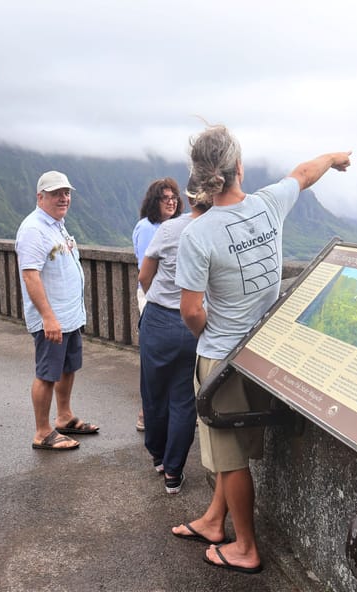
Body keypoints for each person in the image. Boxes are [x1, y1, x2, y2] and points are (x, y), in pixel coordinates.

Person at [173, 125, 351, 574]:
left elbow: (191, 310)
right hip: (261, 353)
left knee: (229, 459)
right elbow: (304, 173)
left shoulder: (197, 234)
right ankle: (215, 521)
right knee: (233, 445)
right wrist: (333, 157)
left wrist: (212, 335)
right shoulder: (269, 205)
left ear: (199, 176)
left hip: (221, 361)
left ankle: (246, 547)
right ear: (238, 168)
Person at [16, 170, 99, 452]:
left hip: (70, 315)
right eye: (56, 193)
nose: (63, 198)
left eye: (66, 193)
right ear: (40, 197)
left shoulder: (57, 224)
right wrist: (48, 317)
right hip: (52, 318)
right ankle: (42, 431)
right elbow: (30, 276)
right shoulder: (33, 229)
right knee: (47, 373)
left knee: (67, 368)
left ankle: (64, 416)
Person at [138, 173, 211, 494]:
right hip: (193, 322)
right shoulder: (217, 231)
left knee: (153, 391)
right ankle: (173, 472)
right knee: (183, 399)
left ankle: (157, 455)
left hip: (158, 320)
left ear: (188, 195)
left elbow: (144, 275)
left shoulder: (169, 229)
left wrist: (159, 298)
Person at [131, 177, 184, 431]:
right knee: (154, 360)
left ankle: (168, 414)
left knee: (169, 361)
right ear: (155, 201)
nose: (171, 202)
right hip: (153, 298)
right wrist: (156, 303)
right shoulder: (147, 228)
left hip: (169, 299)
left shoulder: (173, 226)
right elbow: (145, 272)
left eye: (174, 197)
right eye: (166, 198)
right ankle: (146, 414)